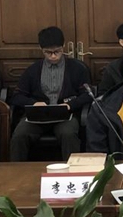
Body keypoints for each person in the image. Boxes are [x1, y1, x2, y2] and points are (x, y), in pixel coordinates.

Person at [10, 26, 91, 161]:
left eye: (57, 51)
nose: (53, 56)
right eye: (48, 52)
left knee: (68, 134)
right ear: (41, 49)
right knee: (19, 135)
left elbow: (88, 95)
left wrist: (70, 105)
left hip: (65, 115)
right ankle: (17, 171)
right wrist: (33, 104)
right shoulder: (33, 70)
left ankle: (73, 171)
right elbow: (16, 96)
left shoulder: (77, 69)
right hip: (37, 116)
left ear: (63, 47)